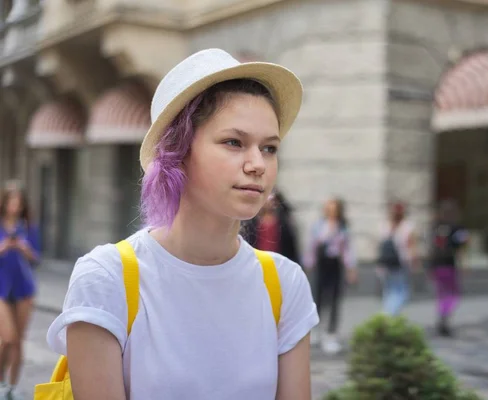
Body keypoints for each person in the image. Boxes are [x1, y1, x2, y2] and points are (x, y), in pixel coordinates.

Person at [45, 48, 319, 399]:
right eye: (234, 142)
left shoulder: (284, 284)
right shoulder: (106, 279)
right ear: (177, 153)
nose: (257, 164)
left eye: (269, 148)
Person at [0, 186, 40, 400]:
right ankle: (0, 382)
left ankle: (12, 387)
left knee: (18, 341)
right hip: (1, 287)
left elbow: (37, 259)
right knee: (7, 338)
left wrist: (25, 249)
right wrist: (4, 247)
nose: (15, 205)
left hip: (24, 288)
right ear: (4, 202)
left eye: (19, 201)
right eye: (11, 201)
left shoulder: (28, 227)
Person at [304, 197, 357, 355]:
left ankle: (331, 334)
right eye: (329, 208)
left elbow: (348, 249)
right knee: (317, 297)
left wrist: (351, 268)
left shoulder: (343, 227)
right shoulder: (320, 225)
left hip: (335, 264)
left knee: (334, 299)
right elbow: (312, 244)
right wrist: (308, 262)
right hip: (322, 263)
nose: (331, 211)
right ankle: (315, 330)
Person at [429, 199, 469, 337]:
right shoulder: (457, 228)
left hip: (436, 264)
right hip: (449, 264)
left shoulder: (435, 226)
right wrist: (464, 264)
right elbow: (461, 248)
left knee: (442, 293)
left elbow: (432, 247)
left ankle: (443, 317)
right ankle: (444, 318)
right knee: (453, 294)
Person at [376, 202, 419, 316]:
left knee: (388, 291)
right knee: (402, 292)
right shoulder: (407, 226)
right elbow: (411, 245)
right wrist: (415, 262)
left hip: (385, 263)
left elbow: (380, 244)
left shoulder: (384, 226)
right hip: (401, 262)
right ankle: (388, 315)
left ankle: (387, 315)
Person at [244, 190, 300, 264]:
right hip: (257, 261)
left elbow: (290, 246)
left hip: (279, 261)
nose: (268, 201)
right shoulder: (251, 222)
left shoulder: (284, 222)